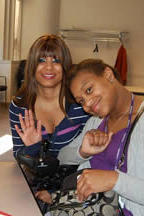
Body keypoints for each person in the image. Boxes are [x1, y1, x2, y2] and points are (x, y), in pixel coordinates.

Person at [58, 58, 144, 216]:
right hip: (92, 215)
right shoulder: (96, 122)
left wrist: (114, 180)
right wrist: (83, 151)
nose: (88, 104)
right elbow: (62, 157)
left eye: (89, 90)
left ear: (108, 75)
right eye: (81, 101)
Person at [9, 34, 90, 204]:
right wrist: (31, 148)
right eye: (41, 60)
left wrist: (57, 193)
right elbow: (19, 155)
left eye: (56, 61)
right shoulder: (20, 105)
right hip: (34, 187)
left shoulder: (80, 105)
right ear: (32, 65)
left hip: (75, 188)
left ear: (65, 66)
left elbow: (89, 158)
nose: (48, 67)